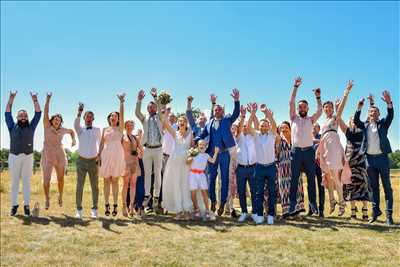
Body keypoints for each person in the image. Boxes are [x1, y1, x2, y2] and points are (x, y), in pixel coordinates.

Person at [195, 89, 240, 216]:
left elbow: (236, 113)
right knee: (211, 179)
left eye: (219, 109)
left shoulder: (227, 120)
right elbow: (203, 134)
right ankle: (213, 201)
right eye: (215, 110)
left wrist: (236, 100)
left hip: (225, 154)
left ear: (222, 111)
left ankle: (222, 204)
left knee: (224, 179)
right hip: (211, 155)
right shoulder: (209, 123)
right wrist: (195, 140)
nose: (217, 111)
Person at [353, 90, 394, 225]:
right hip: (369, 160)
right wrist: (359, 107)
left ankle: (389, 215)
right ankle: (375, 213)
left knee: (387, 187)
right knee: (374, 188)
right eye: (371, 112)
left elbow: (391, 115)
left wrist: (389, 103)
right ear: (368, 114)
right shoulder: (364, 126)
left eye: (375, 112)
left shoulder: (383, 124)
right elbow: (355, 120)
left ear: (378, 114)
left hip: (382, 159)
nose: (373, 113)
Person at [317, 80, 353, 216]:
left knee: (336, 177)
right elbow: (321, 138)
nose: (328, 109)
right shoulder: (324, 122)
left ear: (333, 109)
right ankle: (332, 202)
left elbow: (342, 107)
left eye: (330, 107)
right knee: (328, 177)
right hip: (325, 149)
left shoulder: (335, 118)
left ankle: (342, 204)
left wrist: (346, 93)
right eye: (326, 107)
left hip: (334, 147)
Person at [288, 77, 322, 216]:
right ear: (297, 109)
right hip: (296, 152)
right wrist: (295, 87)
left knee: (311, 180)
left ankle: (313, 206)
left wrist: (318, 97)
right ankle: (292, 206)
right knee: (294, 180)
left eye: (304, 107)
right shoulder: (293, 118)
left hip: (308, 152)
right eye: (300, 107)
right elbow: (291, 102)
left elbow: (320, 110)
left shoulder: (311, 119)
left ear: (307, 108)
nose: (302, 108)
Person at [5, 91, 41, 216]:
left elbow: (38, 114)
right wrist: (11, 98)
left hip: (28, 157)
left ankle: (26, 205)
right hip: (14, 156)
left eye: (25, 115)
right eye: (21, 116)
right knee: (14, 182)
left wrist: (35, 99)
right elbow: (7, 112)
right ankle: (14, 205)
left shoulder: (31, 126)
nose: (23, 117)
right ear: (17, 117)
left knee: (26, 182)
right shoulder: (11, 126)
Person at [41, 92, 76, 210]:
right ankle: (47, 198)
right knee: (47, 179)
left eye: (59, 120)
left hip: (60, 155)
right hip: (48, 154)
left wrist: (73, 140)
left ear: (61, 122)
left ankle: (60, 196)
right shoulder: (47, 126)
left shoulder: (62, 130)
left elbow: (71, 131)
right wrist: (48, 99)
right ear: (51, 121)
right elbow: (45, 113)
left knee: (61, 178)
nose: (57, 121)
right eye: (55, 119)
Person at [249, 103, 280, 225]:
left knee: (272, 192)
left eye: (266, 125)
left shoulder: (272, 135)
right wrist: (252, 113)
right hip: (260, 167)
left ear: (268, 127)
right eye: (262, 125)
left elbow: (274, 124)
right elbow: (248, 126)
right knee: (259, 192)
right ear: (259, 127)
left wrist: (266, 112)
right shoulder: (256, 135)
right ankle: (260, 215)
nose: (264, 127)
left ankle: (271, 215)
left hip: (271, 167)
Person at [135, 88, 166, 213]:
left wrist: (155, 97)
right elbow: (137, 112)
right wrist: (139, 100)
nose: (152, 108)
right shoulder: (144, 118)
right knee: (147, 173)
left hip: (158, 149)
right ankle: (148, 195)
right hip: (147, 148)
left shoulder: (160, 116)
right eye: (150, 107)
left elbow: (161, 107)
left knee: (158, 173)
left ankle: (157, 196)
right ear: (147, 109)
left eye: (153, 106)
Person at [337, 112, 371, 221]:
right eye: (352, 121)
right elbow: (339, 119)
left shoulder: (363, 131)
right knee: (350, 186)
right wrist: (338, 108)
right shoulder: (347, 131)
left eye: (355, 121)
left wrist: (371, 103)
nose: (354, 123)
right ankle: (353, 211)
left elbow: (369, 118)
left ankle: (365, 211)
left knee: (363, 186)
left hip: (361, 163)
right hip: (349, 163)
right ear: (349, 123)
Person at [98, 93, 126, 217]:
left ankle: (115, 205)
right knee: (106, 181)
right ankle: (106, 205)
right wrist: (98, 155)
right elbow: (101, 144)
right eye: (111, 116)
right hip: (105, 155)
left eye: (115, 116)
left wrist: (121, 102)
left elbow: (122, 114)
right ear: (109, 119)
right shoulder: (105, 129)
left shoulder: (120, 128)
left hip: (117, 155)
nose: (113, 117)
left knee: (115, 180)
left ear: (118, 119)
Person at [162, 113, 193, 220]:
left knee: (185, 184)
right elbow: (165, 123)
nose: (181, 122)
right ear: (178, 123)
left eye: (183, 121)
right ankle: (178, 210)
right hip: (175, 161)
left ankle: (187, 210)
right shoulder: (175, 133)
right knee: (176, 184)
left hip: (186, 162)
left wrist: (191, 156)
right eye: (179, 121)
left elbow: (193, 147)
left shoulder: (190, 133)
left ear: (186, 123)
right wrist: (162, 109)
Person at [74, 102, 101, 219]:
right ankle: (79, 210)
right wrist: (79, 112)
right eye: (87, 116)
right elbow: (75, 124)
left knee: (95, 186)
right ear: (84, 118)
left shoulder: (97, 130)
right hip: (81, 161)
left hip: (93, 161)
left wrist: (100, 157)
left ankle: (94, 209)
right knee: (79, 185)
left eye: (91, 116)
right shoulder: (80, 130)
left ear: (93, 119)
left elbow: (100, 144)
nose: (89, 118)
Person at [277, 121, 305, 218]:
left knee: (297, 188)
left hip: (295, 167)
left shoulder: (295, 140)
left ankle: (296, 211)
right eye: (282, 128)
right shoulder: (279, 140)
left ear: (290, 128)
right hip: (283, 168)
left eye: (285, 127)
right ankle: (286, 212)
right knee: (284, 190)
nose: (284, 129)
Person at [235, 105, 257, 223]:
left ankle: (254, 212)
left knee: (254, 191)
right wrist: (242, 116)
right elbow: (239, 128)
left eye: (246, 126)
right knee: (242, 191)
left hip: (253, 168)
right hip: (241, 169)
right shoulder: (239, 137)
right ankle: (243, 212)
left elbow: (249, 126)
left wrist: (252, 113)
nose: (245, 127)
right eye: (243, 126)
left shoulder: (253, 136)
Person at [187, 140, 219, 221]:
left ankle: (207, 210)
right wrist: (190, 156)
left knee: (204, 192)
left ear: (206, 147)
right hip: (193, 174)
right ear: (197, 146)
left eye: (204, 145)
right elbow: (187, 162)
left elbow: (213, 161)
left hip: (201, 175)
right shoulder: (194, 153)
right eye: (200, 144)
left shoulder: (206, 155)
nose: (202, 146)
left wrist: (216, 153)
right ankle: (196, 209)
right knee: (193, 193)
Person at [121, 120, 140, 217]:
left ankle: (131, 206)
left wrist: (139, 153)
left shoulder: (135, 138)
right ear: (125, 127)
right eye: (127, 125)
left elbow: (140, 149)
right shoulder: (122, 137)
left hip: (135, 163)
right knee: (125, 184)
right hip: (125, 163)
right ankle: (124, 206)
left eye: (131, 126)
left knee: (133, 185)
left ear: (133, 127)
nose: (129, 127)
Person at [312, 123, 325, 217]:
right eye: (312, 127)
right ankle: (311, 209)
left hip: (320, 165)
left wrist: (315, 140)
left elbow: (323, 143)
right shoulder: (306, 137)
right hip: (310, 166)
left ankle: (321, 210)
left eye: (315, 127)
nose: (313, 128)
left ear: (319, 129)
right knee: (311, 188)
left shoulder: (322, 137)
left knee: (321, 187)